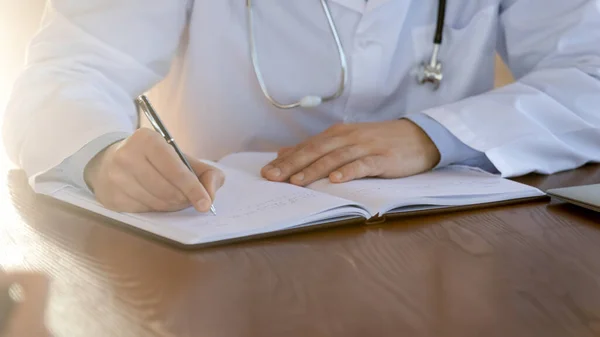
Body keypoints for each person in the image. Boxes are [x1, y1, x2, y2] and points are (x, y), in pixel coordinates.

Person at [3, 0, 600, 214]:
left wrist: (433, 135)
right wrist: (101, 155)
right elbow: (69, 68)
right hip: (223, 239)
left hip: (439, 240)